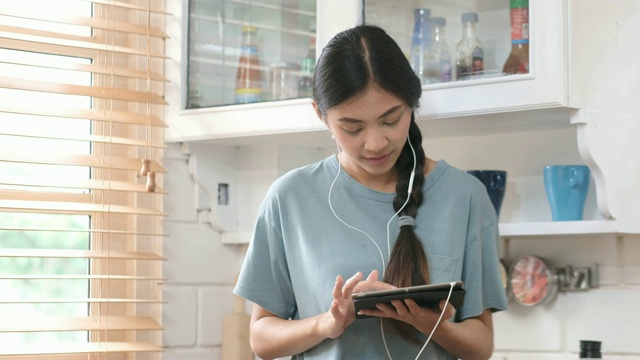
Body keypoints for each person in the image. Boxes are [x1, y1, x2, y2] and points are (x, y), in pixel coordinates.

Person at [234, 24, 508, 360]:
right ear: (320, 115)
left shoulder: (465, 197)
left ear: (412, 103)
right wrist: (326, 324)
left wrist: (431, 324)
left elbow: (481, 347)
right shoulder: (289, 198)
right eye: (353, 128)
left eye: (391, 120)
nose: (376, 143)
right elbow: (261, 338)